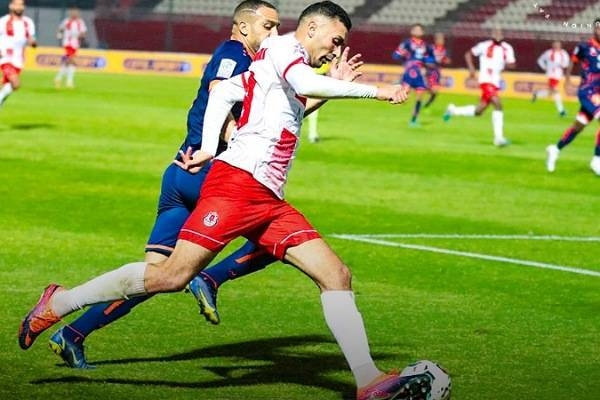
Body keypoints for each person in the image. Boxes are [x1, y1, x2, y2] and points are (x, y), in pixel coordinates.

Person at [19, 3, 433, 400]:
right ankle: (60, 302)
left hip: (268, 197)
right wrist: (376, 91)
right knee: (170, 275)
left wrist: (205, 146)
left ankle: (367, 381)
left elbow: (226, 95)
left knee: (336, 275)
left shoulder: (275, 60)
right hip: (237, 185)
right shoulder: (285, 49)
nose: (336, 49)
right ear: (312, 28)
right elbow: (301, 85)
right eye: (335, 40)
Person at [46, 0, 282, 370]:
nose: (275, 33)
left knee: (153, 277)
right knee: (276, 236)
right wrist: (231, 135)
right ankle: (210, 278)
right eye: (268, 25)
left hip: (179, 174)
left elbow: (279, 117)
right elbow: (219, 92)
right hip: (208, 175)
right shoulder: (235, 54)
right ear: (243, 26)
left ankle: (72, 333)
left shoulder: (249, 61)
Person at [443, 27, 515, 147]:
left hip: (495, 81)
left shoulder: (507, 48)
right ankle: (498, 138)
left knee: (479, 111)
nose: (497, 34)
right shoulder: (484, 45)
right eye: (495, 32)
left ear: (503, 35)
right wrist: (471, 68)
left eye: (500, 33)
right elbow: (468, 54)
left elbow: (512, 64)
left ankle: (453, 110)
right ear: (492, 34)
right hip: (485, 79)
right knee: (498, 104)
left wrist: (507, 64)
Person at [545, 20, 600, 175]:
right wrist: (567, 80)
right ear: (594, 30)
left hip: (598, 93)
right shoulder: (585, 47)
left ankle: (555, 149)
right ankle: (597, 160)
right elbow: (573, 62)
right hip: (588, 91)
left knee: (578, 126)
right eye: (598, 28)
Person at [392, 23, 435, 126]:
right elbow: (396, 55)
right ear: (411, 31)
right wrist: (402, 55)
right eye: (415, 29)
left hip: (420, 73)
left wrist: (427, 62)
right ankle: (395, 96)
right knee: (404, 94)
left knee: (419, 96)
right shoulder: (406, 43)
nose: (417, 31)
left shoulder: (426, 46)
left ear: (423, 32)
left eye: (419, 30)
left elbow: (431, 58)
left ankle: (414, 120)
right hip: (410, 71)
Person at [0, 0, 36, 107]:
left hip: (19, 60)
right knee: (16, 83)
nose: (19, 7)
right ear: (11, 6)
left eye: (21, 4)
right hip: (5, 57)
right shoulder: (3, 21)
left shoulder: (28, 22)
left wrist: (33, 42)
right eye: (16, 4)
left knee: (11, 85)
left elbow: (32, 40)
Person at [531, 41, 569, 117]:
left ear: (560, 46)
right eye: (555, 45)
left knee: (551, 92)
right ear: (552, 45)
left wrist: (563, 65)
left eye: (558, 45)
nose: (556, 46)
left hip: (558, 75)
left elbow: (566, 63)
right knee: (555, 91)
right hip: (551, 74)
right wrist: (544, 67)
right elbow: (540, 60)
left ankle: (537, 94)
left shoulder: (563, 53)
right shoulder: (548, 53)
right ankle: (561, 111)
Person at [54, 7, 87, 89]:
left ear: (78, 14)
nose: (74, 14)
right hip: (67, 43)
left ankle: (58, 78)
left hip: (75, 44)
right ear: (70, 13)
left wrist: (81, 36)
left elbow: (83, 33)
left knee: (68, 63)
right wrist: (59, 35)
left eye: (76, 13)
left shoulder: (80, 22)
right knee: (72, 61)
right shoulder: (66, 21)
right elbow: (60, 29)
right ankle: (69, 82)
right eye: (73, 12)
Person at [424, 32, 450, 109]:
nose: (442, 41)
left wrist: (446, 60)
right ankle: (424, 90)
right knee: (434, 89)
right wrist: (428, 63)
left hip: (437, 71)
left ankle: (427, 104)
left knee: (435, 91)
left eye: (443, 39)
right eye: (440, 39)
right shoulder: (431, 48)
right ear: (436, 40)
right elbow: (425, 57)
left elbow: (442, 59)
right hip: (430, 70)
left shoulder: (444, 50)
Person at [307, 62, 331, 143]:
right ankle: (312, 134)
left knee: (315, 106)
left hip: (320, 76)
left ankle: (313, 134)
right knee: (314, 107)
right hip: (315, 76)